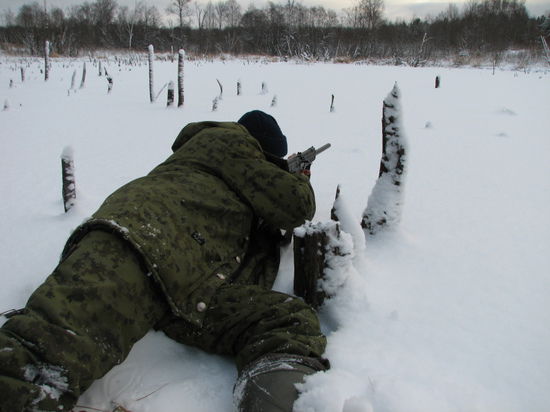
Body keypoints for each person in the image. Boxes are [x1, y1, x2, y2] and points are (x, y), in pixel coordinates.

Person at [0, 110, 329, 412]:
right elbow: (297, 206)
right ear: (263, 151)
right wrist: (299, 175)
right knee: (35, 360)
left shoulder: (193, 155)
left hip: (160, 265)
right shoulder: (233, 146)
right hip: (144, 246)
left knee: (285, 320)